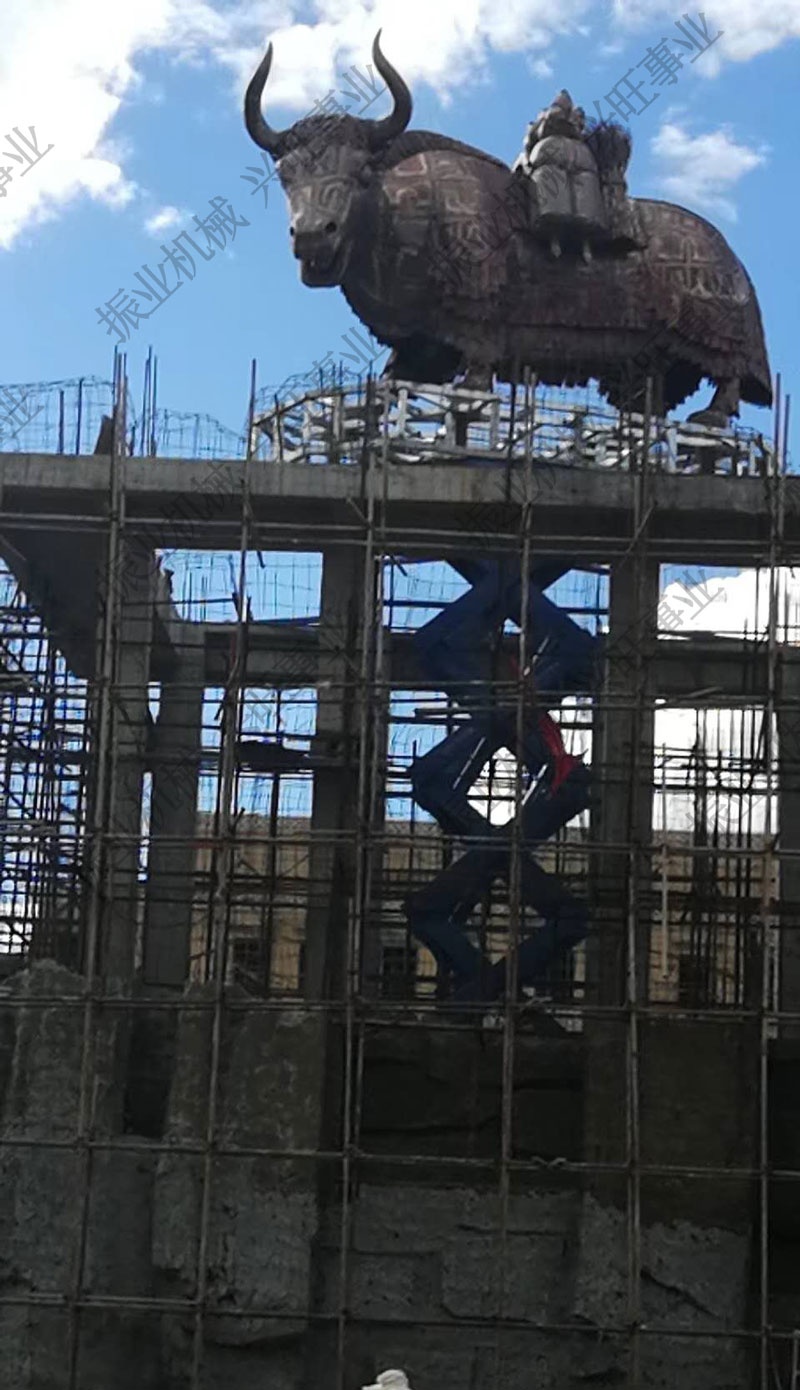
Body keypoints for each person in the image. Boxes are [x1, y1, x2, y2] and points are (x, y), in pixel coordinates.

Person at [514, 90, 606, 261]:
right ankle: (557, 240)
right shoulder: (544, 132)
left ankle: (583, 243)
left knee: (584, 192)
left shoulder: (577, 140)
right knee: (554, 194)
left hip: (576, 159)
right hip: (554, 159)